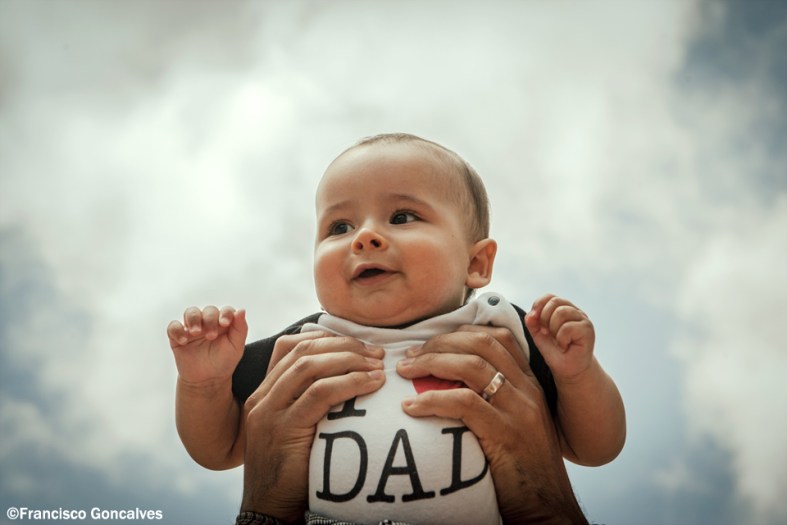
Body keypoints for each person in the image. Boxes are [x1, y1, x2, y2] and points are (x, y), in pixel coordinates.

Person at [167, 133, 625, 524]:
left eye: (402, 217)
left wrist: (576, 376)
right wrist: (203, 383)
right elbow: (220, 449)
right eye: (339, 226)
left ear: (476, 263)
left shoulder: (501, 331)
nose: (365, 237)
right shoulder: (305, 346)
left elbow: (595, 447)